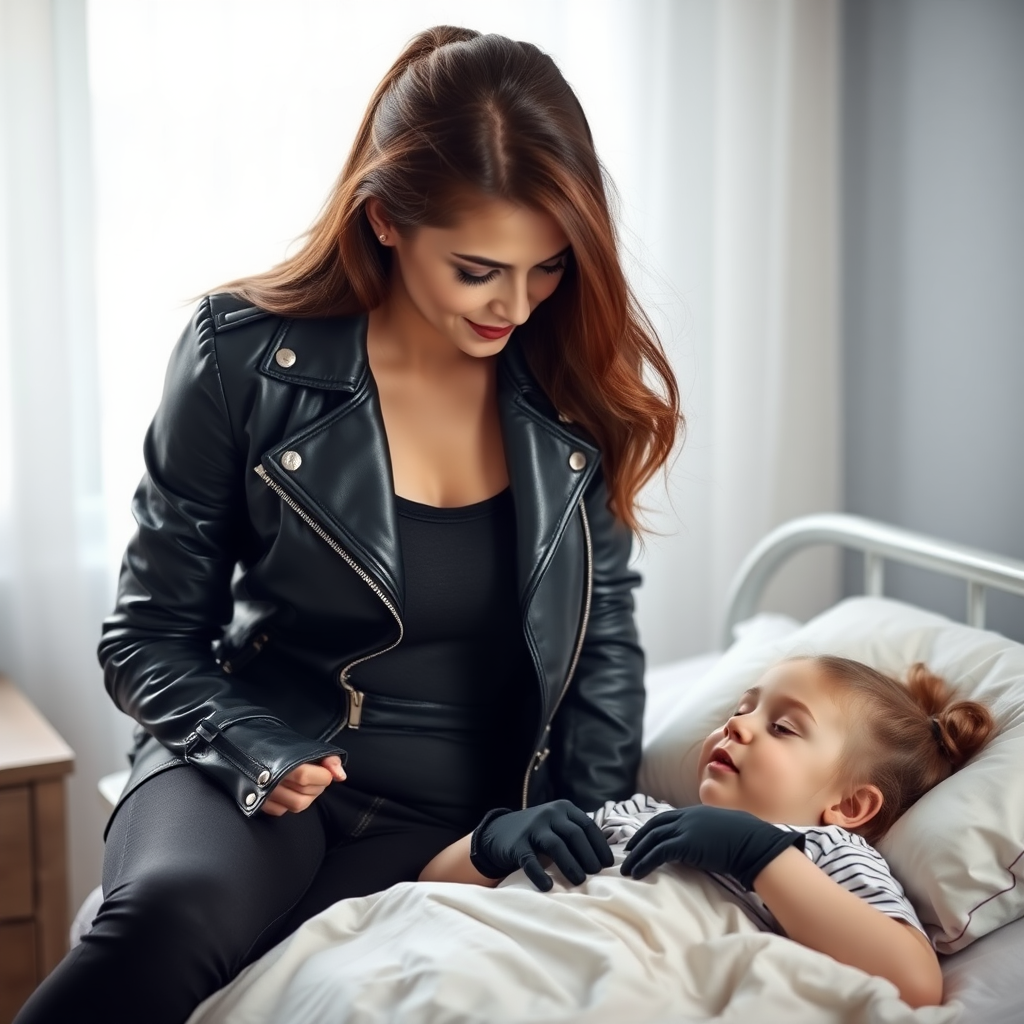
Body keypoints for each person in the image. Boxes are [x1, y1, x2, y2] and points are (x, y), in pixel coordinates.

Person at [13, 25, 681, 1024]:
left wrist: (575, 826)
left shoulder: (573, 389)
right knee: (172, 913)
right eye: (477, 269)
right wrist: (251, 746)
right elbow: (146, 635)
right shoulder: (239, 357)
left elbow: (603, 647)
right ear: (383, 221)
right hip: (259, 763)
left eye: (546, 268)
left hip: (465, 809)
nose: (517, 303)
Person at [419, 655, 994, 1009]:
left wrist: (762, 856)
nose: (737, 725)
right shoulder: (638, 811)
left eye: (783, 727)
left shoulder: (821, 852)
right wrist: (492, 844)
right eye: (742, 709)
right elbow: (432, 886)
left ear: (848, 804)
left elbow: (914, 982)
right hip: (497, 951)